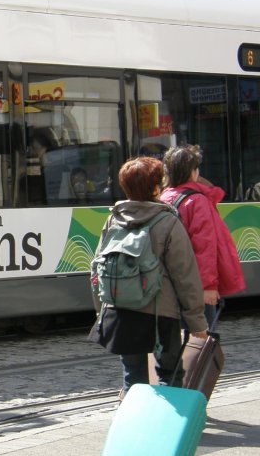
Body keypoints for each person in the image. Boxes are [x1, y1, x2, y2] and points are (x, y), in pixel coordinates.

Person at [89, 157, 208, 398]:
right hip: (160, 316)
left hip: (121, 311)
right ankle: (167, 420)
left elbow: (96, 270)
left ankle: (132, 420)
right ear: (155, 188)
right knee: (169, 376)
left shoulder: (114, 219)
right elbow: (185, 276)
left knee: (133, 378)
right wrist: (196, 322)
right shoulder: (168, 222)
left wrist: (102, 310)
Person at [160, 145, 246, 328]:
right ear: (192, 172)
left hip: (168, 283)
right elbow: (205, 247)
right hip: (195, 286)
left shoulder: (163, 198)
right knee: (201, 338)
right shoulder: (197, 201)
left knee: (177, 337)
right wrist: (208, 287)